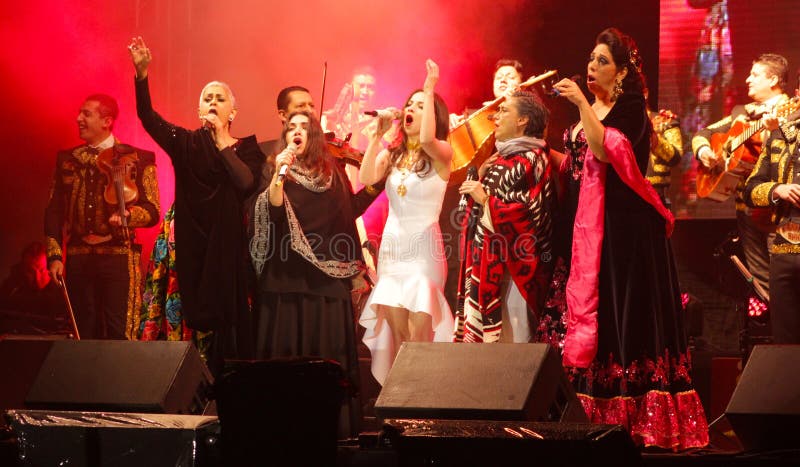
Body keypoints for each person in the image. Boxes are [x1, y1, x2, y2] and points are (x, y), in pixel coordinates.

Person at [552, 27, 708, 450]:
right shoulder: (591, 111)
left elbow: (605, 151)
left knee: (626, 315)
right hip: (588, 230)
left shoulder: (632, 107)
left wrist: (583, 104)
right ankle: (588, 411)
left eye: (602, 61)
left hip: (626, 234)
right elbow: (577, 162)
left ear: (622, 72)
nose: (591, 66)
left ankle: (640, 416)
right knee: (594, 317)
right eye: (590, 59)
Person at [129, 37, 263, 374]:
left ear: (232, 111)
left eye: (221, 99)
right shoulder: (185, 143)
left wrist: (220, 141)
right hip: (187, 241)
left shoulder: (247, 149)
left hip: (227, 247)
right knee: (184, 313)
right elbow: (147, 117)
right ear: (199, 109)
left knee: (227, 326)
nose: (214, 102)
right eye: (208, 98)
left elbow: (246, 183)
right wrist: (142, 75)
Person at [249, 110, 382, 439]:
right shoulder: (275, 171)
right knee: (284, 366)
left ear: (315, 136)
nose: (296, 131)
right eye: (290, 127)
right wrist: (279, 173)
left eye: (304, 127)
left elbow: (349, 211)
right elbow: (273, 211)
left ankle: (331, 433)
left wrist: (376, 186)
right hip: (284, 282)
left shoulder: (332, 173)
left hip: (326, 285)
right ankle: (281, 436)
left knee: (327, 360)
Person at [357, 60, 454, 385]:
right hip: (393, 253)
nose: (410, 109)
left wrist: (429, 87)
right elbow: (366, 176)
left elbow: (427, 140)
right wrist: (377, 137)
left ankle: (424, 403)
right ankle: (400, 406)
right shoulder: (395, 154)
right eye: (409, 104)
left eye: (420, 106)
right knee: (397, 338)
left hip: (423, 253)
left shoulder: (442, 153)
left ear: (433, 115)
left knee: (418, 338)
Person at [44, 93, 160, 340]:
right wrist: (54, 256)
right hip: (78, 258)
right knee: (83, 333)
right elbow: (53, 210)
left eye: (86, 114)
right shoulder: (67, 160)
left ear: (107, 121)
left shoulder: (138, 159)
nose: (78, 119)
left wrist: (129, 214)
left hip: (118, 257)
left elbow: (153, 210)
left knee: (120, 331)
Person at [453, 90, 555, 343]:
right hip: (488, 265)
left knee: (516, 349)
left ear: (523, 120)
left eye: (504, 111)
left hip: (516, 273)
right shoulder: (501, 159)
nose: (495, 117)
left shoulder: (534, 158)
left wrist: (486, 200)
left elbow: (532, 215)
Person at [692, 53, 790, 295]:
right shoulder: (742, 113)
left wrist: (773, 132)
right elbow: (703, 133)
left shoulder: (790, 111)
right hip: (745, 209)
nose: (747, 79)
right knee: (759, 282)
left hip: (778, 211)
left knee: (784, 278)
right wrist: (706, 153)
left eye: (755, 75)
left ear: (774, 80)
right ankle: (771, 330)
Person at [744, 110, 800, 344]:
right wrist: (777, 189)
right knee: (785, 340)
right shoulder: (781, 134)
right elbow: (750, 189)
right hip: (784, 250)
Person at [0, 242, 69, 334]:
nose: (37, 278)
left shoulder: (62, 292)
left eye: (41, 270)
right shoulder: (12, 289)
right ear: (23, 269)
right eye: (31, 271)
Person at [647, 105, 683, 209]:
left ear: (645, 93)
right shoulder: (619, 121)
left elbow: (676, 156)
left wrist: (656, 141)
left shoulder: (665, 119)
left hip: (655, 196)